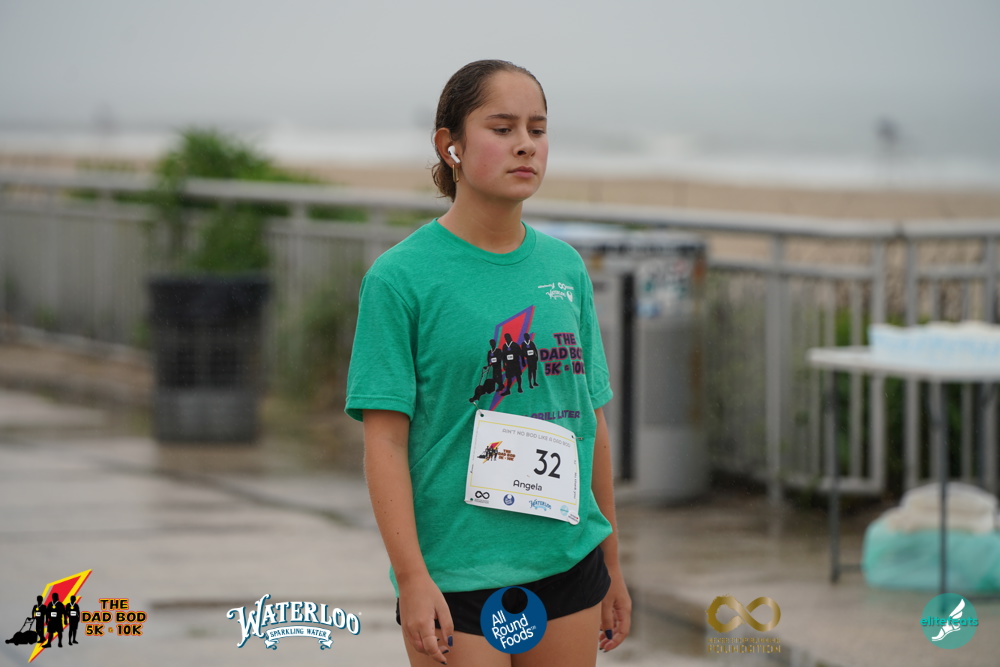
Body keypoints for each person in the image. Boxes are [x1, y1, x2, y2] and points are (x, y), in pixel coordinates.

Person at [346, 59, 630, 666]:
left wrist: (611, 560)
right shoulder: (399, 279)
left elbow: (590, 420)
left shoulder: (565, 268)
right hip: (458, 576)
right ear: (449, 145)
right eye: (502, 129)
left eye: (537, 129)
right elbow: (385, 443)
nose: (525, 144)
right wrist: (412, 578)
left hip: (569, 564)